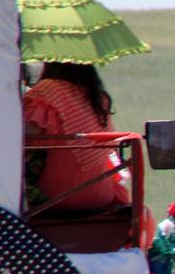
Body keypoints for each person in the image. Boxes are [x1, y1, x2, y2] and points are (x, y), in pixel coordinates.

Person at [21, 63, 129, 212]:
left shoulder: (47, 90)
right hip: (101, 197)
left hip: (55, 199)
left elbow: (20, 134)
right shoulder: (98, 98)